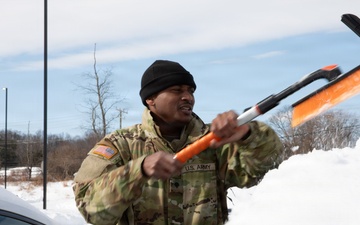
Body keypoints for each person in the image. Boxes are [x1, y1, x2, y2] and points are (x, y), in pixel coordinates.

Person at [73, 59, 284, 225]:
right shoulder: (120, 145)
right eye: (177, 90)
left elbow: (267, 171)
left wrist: (249, 135)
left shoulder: (216, 141)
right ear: (150, 99)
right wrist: (138, 171)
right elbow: (92, 210)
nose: (188, 97)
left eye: (190, 91)